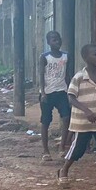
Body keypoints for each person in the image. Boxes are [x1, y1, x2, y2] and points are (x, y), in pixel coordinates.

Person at [57, 44, 96, 190]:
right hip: (83, 122)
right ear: (86, 58)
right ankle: (63, 170)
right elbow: (71, 97)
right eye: (95, 54)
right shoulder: (79, 77)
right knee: (78, 149)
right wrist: (86, 110)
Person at [38, 31, 71, 162]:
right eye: (53, 40)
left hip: (62, 91)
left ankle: (62, 147)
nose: (56, 41)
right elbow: (41, 75)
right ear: (48, 42)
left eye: (58, 39)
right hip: (48, 92)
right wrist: (43, 92)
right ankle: (46, 151)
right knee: (45, 121)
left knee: (66, 117)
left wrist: (70, 91)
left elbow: (68, 74)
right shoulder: (44, 57)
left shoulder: (66, 56)